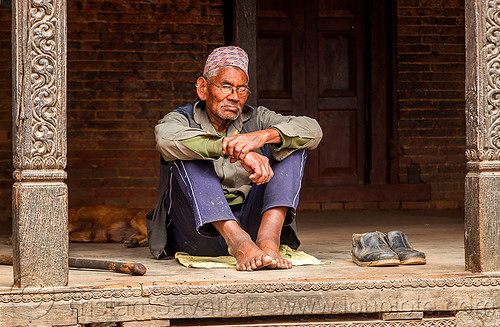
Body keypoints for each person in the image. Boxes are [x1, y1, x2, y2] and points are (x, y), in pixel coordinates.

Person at [147, 46, 322, 271]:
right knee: (185, 151)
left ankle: (269, 241)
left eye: (242, 90)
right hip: (198, 232)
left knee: (293, 143)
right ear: (203, 88)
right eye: (226, 87)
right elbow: (165, 138)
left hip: (252, 226)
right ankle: (239, 243)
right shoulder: (182, 119)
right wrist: (236, 150)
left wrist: (262, 137)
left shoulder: (257, 118)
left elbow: (313, 129)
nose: (234, 97)